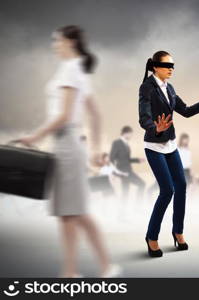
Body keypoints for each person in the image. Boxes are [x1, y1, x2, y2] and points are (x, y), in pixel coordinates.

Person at [18, 25, 121, 278]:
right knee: (75, 212)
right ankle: (102, 268)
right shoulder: (78, 71)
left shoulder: (70, 69)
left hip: (66, 145)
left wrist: (34, 136)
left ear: (70, 41)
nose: (54, 45)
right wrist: (96, 148)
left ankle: (72, 274)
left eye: (57, 40)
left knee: (69, 213)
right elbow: (95, 114)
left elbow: (64, 115)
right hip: (69, 145)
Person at [139, 50, 199, 257]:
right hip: (154, 146)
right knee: (167, 191)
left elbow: (187, 111)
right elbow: (143, 118)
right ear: (155, 67)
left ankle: (177, 232)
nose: (171, 69)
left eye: (173, 65)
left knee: (181, 185)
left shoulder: (170, 88)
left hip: (171, 146)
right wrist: (156, 127)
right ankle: (151, 236)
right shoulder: (147, 87)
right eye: (167, 65)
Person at [110, 126, 146, 199]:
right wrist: (114, 172)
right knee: (142, 184)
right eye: (130, 134)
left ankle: (123, 208)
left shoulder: (126, 144)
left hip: (128, 170)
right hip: (123, 171)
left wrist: (137, 160)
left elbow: (126, 159)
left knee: (125, 191)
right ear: (125, 133)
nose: (131, 136)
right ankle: (138, 204)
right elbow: (111, 158)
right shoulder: (117, 143)